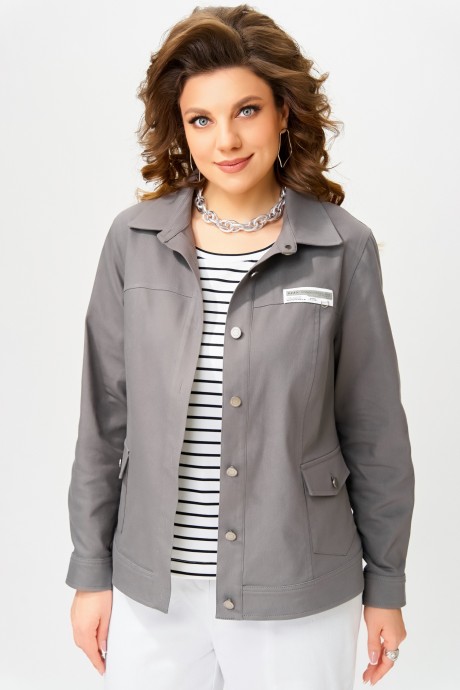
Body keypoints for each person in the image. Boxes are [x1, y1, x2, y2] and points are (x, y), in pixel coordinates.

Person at [65, 5, 415, 689]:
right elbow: (103, 422)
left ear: (284, 112)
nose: (225, 139)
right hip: (152, 594)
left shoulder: (342, 247)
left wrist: (387, 586)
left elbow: (375, 431)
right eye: (201, 119)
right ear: (180, 129)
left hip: (298, 590)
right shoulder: (133, 241)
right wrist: (90, 572)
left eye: (246, 111)